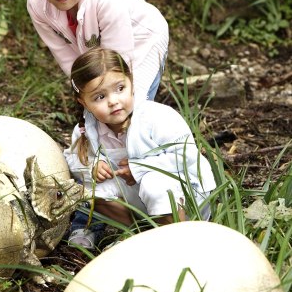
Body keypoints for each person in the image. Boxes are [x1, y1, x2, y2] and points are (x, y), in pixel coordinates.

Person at [26, 0, 169, 247]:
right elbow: (65, 54)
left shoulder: (106, 0)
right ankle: (90, 218)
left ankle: (155, 206)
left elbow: (119, 66)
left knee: (125, 116)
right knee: (92, 125)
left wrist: (102, 101)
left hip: (138, 45)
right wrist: (85, 94)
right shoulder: (37, 3)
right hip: (91, 55)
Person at [63, 48, 216, 235]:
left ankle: (177, 236)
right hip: (139, 205)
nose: (113, 101)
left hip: (184, 199)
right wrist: (93, 165)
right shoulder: (85, 130)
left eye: (120, 89)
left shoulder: (156, 117)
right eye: (100, 97)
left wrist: (138, 168)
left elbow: (185, 156)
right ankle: (141, 231)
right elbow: (72, 158)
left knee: (155, 184)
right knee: (90, 192)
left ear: (132, 83)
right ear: (83, 102)